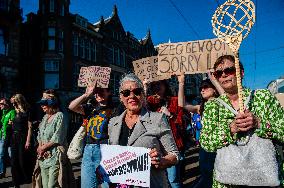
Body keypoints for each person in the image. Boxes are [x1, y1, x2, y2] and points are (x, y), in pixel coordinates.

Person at [200, 55, 284, 187]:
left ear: (241, 72)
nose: (224, 75)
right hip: (228, 182)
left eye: (229, 70)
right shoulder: (213, 106)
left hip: (265, 179)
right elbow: (206, 143)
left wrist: (258, 124)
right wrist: (230, 129)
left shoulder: (262, 97)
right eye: (219, 73)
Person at [108, 73, 179, 188]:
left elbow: (174, 155)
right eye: (126, 93)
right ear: (121, 98)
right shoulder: (113, 123)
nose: (132, 96)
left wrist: (161, 161)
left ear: (143, 94)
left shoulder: (157, 119)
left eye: (136, 92)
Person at [69, 85, 114, 188]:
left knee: (106, 185)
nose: (98, 93)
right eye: (96, 91)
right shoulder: (90, 108)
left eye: (102, 91)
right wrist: (86, 95)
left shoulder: (114, 109)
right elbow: (72, 107)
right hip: (88, 150)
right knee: (87, 185)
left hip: (105, 150)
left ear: (109, 92)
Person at [146, 76, 185, 188]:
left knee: (173, 180)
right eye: (154, 85)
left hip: (172, 146)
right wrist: (144, 85)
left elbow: (182, 123)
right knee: (158, 180)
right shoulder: (150, 102)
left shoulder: (174, 101)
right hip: (155, 148)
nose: (156, 87)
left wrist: (170, 115)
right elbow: (141, 107)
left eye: (159, 84)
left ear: (165, 85)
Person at [183, 79, 220, 188]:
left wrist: (213, 79)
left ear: (214, 90)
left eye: (205, 87)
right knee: (206, 174)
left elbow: (224, 96)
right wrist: (181, 83)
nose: (202, 90)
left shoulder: (223, 103)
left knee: (218, 175)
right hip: (204, 147)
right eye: (200, 89)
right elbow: (183, 104)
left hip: (219, 146)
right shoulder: (201, 107)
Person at [35, 89, 73, 188]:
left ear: (52, 102)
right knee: (44, 184)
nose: (42, 105)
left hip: (55, 156)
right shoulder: (44, 117)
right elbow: (40, 135)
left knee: (52, 185)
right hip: (43, 157)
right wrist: (40, 147)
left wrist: (43, 148)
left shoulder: (60, 116)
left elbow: (58, 136)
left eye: (44, 102)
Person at [10, 94, 34, 187]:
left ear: (19, 101)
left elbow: (30, 127)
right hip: (14, 137)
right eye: (12, 103)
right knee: (13, 162)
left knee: (22, 161)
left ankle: (28, 178)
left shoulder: (28, 111)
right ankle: (16, 183)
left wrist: (28, 140)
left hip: (23, 137)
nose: (13, 105)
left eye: (14, 103)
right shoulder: (13, 111)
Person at [0, 98, 16, 178]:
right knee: (1, 155)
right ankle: (2, 172)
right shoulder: (4, 112)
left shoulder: (12, 112)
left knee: (11, 155)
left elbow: (13, 123)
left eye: (2, 104)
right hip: (2, 137)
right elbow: (2, 124)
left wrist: (11, 123)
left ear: (6, 104)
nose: (0, 105)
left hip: (8, 137)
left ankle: (15, 172)